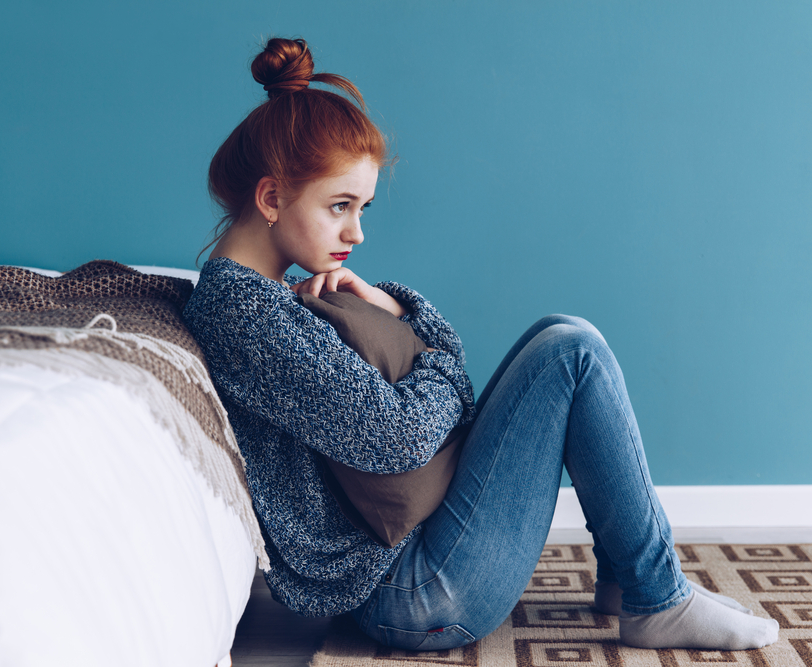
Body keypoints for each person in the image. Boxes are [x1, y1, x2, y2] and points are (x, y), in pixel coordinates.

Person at [184, 37, 779, 653]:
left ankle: (633, 581)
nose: (356, 232)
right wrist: (439, 366)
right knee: (571, 353)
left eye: (361, 207)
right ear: (272, 197)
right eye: (340, 207)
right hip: (406, 590)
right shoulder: (244, 312)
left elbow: (414, 405)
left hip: (413, 554)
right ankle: (657, 597)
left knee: (560, 332)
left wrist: (391, 307)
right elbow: (400, 437)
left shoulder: (268, 296)